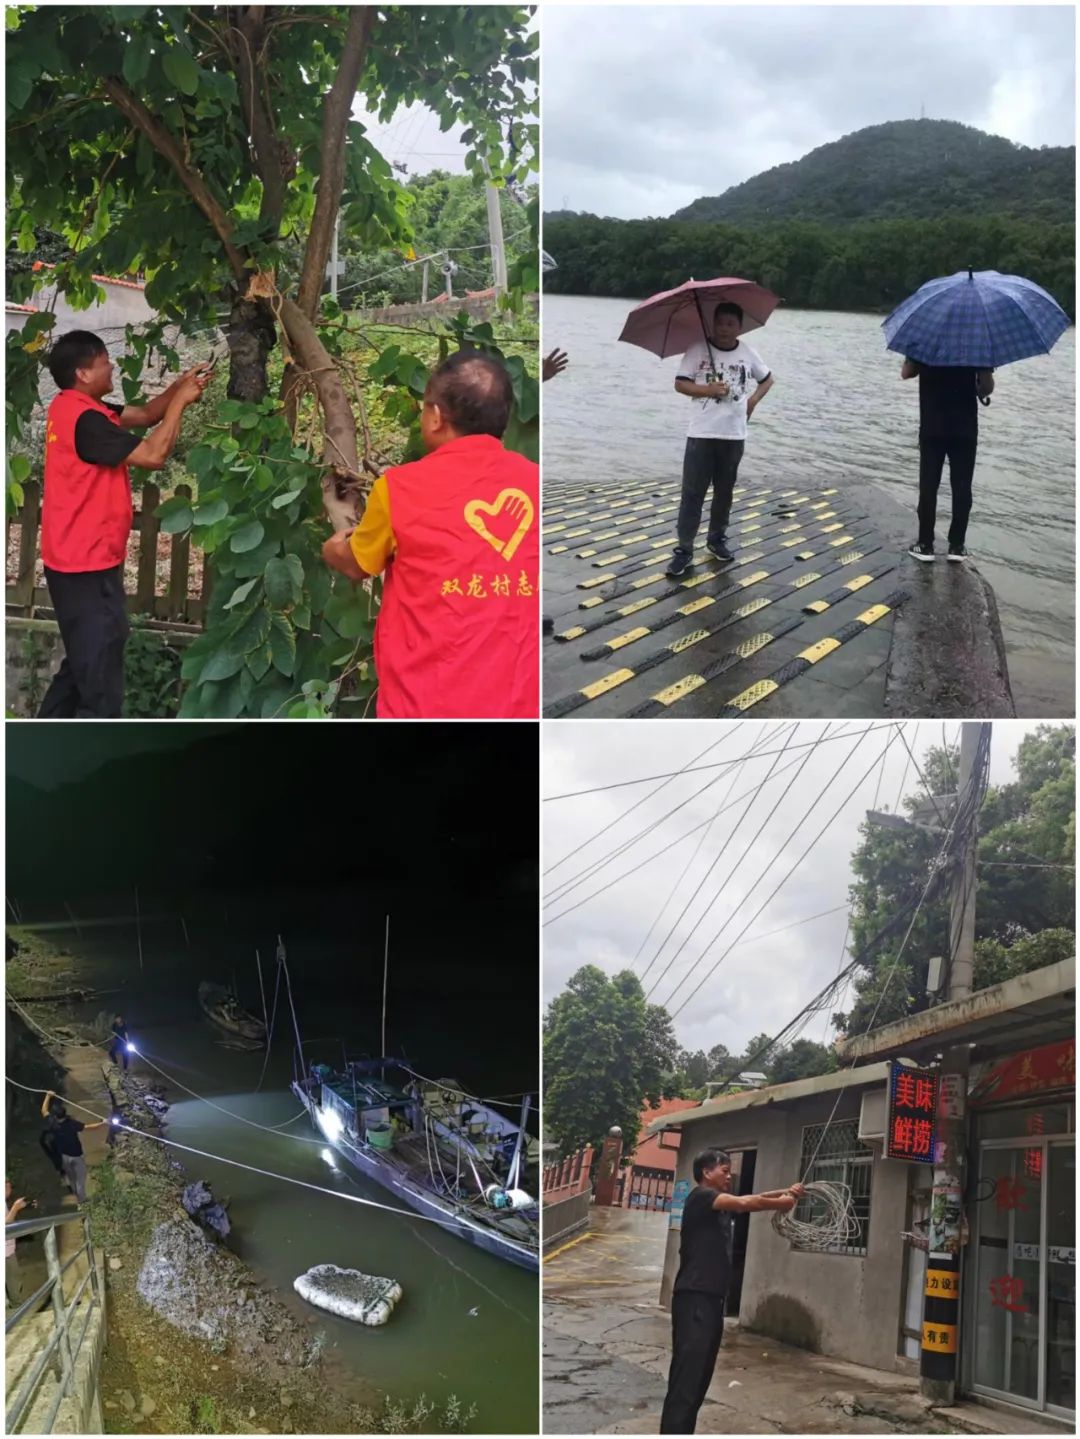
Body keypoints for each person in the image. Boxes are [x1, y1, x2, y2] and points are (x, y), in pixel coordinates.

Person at [322, 350, 539, 718]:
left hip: (422, 703)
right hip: (519, 704)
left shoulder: (399, 488)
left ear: (435, 417)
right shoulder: (534, 481)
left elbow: (358, 564)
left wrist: (332, 547)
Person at [38, 331, 210, 718]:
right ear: (83, 373)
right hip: (85, 565)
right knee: (100, 686)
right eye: (103, 361)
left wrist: (179, 386)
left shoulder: (72, 407)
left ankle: (33, 748)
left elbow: (147, 414)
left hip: (76, 560)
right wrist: (181, 403)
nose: (112, 364)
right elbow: (153, 454)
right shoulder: (88, 423)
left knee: (83, 665)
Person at [659, 1149, 804, 1434]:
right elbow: (747, 1202)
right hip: (695, 1300)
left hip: (711, 1301)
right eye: (724, 1171)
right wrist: (783, 1202)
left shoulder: (716, 1203)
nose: (729, 1176)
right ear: (706, 1173)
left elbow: (756, 1194)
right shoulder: (701, 1196)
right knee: (687, 1379)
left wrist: (787, 1192)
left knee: (700, 1377)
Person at [666, 302, 775, 579]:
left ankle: (717, 539)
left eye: (731, 324)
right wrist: (707, 389)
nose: (725, 329)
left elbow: (768, 380)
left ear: (739, 326)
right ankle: (684, 549)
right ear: (713, 323)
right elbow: (680, 384)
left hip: (733, 434)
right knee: (692, 492)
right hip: (701, 433)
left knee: (724, 491)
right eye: (721, 323)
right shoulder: (697, 349)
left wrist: (752, 401)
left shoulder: (747, 352)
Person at [901, 359, 994, 562]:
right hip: (965, 428)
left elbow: (906, 373)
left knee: (929, 485)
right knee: (962, 486)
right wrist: (979, 389)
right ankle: (957, 546)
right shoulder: (976, 341)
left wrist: (913, 359)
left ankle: (925, 544)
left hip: (932, 425)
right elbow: (987, 386)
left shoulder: (925, 337)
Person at [39, 1092, 106, 1204]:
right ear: (64, 1115)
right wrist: (103, 1124)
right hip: (76, 1155)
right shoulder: (71, 1124)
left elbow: (44, 1110)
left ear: (55, 1115)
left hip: (63, 1156)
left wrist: (48, 1096)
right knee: (80, 1178)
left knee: (71, 1177)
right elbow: (88, 1127)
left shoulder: (51, 1121)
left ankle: (76, 1193)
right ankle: (82, 1199)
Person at [6, 1179, 30, 1306]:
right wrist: (15, 1207)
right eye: (5, 1183)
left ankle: (15, 1303)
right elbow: (5, 1224)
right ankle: (16, 1306)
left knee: (14, 1277)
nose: (9, 1186)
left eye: (9, 1183)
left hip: (8, 1249)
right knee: (13, 1278)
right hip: (5, 1251)